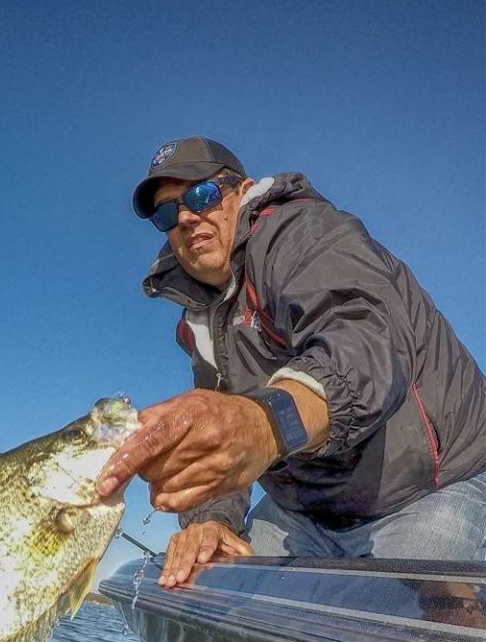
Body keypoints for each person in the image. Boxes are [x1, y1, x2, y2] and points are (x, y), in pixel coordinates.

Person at [96, 136, 486, 585]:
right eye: (166, 214)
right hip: (303, 510)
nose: (185, 217)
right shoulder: (198, 321)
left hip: (428, 486)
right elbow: (220, 436)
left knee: (411, 633)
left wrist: (266, 421)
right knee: (196, 584)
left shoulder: (305, 233)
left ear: (241, 191)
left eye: (201, 195)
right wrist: (214, 519)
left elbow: (363, 340)